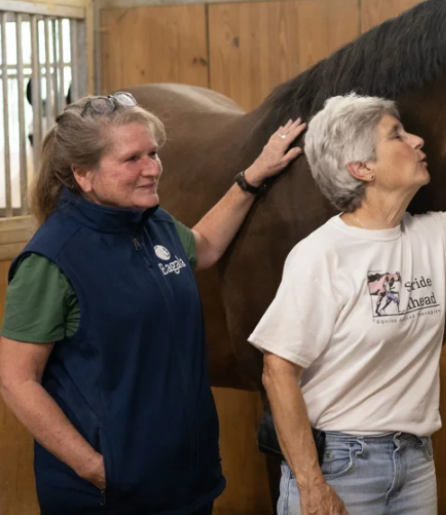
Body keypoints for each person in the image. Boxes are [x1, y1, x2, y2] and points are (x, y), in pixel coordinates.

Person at [0, 92, 305, 515]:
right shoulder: (50, 260)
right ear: (83, 174)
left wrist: (253, 176)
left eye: (154, 153)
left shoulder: (151, 222)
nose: (153, 169)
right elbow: (16, 380)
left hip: (186, 480)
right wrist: (96, 469)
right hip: (110, 496)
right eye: (132, 159)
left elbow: (206, 245)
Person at [248, 93, 446, 515]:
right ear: (361, 168)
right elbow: (277, 370)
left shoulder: (434, 235)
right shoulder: (321, 254)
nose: (418, 141)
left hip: (414, 463)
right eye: (398, 135)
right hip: (340, 464)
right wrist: (311, 485)